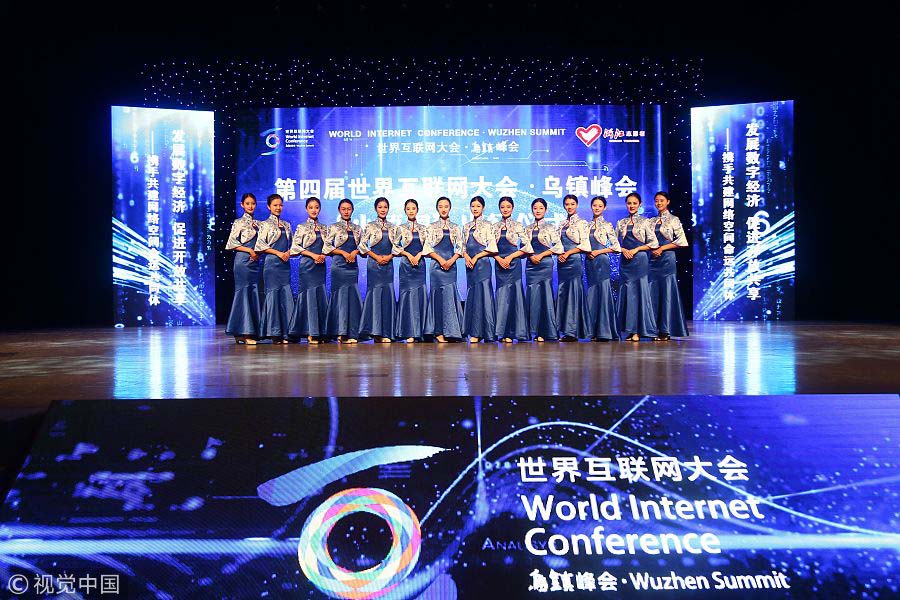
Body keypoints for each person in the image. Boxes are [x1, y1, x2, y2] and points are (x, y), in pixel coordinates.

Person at [615, 192, 659, 341]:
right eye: (629, 203)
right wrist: (623, 250)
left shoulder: (645, 222)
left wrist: (637, 249)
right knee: (628, 293)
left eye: (634, 203)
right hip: (625, 261)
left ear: (639, 205)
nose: (631, 206)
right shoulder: (621, 222)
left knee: (640, 292)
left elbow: (654, 243)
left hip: (640, 260)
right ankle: (630, 329)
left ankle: (640, 330)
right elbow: (614, 243)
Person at [648, 191, 690, 340]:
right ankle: (652, 329)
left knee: (666, 293)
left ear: (668, 202)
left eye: (661, 201)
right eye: (656, 201)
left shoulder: (674, 220)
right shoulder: (651, 221)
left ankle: (665, 330)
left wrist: (661, 248)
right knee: (652, 293)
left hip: (667, 259)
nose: (659, 203)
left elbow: (682, 240)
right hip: (652, 260)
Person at [423, 196, 465, 342]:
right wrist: (441, 260)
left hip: (451, 266)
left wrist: (451, 261)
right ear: (437, 208)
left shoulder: (455, 227)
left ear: (450, 208)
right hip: (436, 267)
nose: (443, 209)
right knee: (438, 298)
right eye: (440, 206)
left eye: (446, 206)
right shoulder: (431, 226)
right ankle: (438, 331)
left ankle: (452, 331)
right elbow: (427, 248)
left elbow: (460, 247)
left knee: (449, 297)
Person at [288, 196, 329, 344]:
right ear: (306, 209)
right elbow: (295, 247)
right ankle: (310, 332)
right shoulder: (302, 227)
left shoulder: (325, 228)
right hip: (308, 266)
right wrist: (313, 255)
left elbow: (330, 246)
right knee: (308, 296)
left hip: (320, 266)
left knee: (320, 295)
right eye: (311, 207)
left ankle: (322, 331)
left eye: (316, 207)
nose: (314, 210)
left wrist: (323, 255)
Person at [492, 196, 533, 342]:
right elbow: (490, 247)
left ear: (512, 208)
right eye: (502, 207)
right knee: (502, 296)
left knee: (514, 295)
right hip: (499, 264)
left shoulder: (518, 225)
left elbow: (527, 247)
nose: (505, 209)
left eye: (508, 207)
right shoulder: (494, 226)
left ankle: (514, 332)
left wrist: (510, 257)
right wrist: (499, 259)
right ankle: (502, 332)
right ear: (499, 208)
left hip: (513, 264)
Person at [255, 193, 294, 343]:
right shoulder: (265, 224)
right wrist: (278, 253)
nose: (278, 208)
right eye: (275, 205)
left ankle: (287, 333)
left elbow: (293, 244)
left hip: (285, 264)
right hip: (272, 264)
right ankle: (274, 333)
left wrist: (289, 252)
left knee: (285, 296)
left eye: (280, 205)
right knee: (273, 296)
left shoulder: (287, 225)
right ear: (269, 207)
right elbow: (260, 245)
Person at [323, 199, 363, 344]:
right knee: (339, 297)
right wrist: (343, 253)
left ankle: (352, 332)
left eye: (349, 209)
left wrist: (355, 251)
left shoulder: (357, 228)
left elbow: (363, 247)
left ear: (352, 210)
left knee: (352, 298)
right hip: (338, 266)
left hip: (352, 267)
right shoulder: (333, 227)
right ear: (339, 210)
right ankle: (339, 332)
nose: (346, 211)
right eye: (343, 209)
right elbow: (326, 247)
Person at [524, 198, 564, 341]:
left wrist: (541, 255)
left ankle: (544, 331)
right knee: (532, 296)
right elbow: (523, 247)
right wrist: (530, 255)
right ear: (532, 210)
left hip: (545, 264)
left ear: (545, 210)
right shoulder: (527, 228)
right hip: (530, 265)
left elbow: (558, 247)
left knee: (544, 296)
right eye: (535, 208)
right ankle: (530, 331)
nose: (538, 210)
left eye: (541, 208)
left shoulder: (550, 227)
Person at [225, 193, 262, 344]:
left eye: (253, 203)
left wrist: (257, 252)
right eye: (247, 203)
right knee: (243, 293)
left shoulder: (259, 224)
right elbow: (231, 243)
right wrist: (250, 251)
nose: (251, 206)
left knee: (252, 293)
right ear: (242, 205)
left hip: (255, 262)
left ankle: (241, 331)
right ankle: (246, 333)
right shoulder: (238, 222)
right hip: (243, 261)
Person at [358, 197, 396, 342]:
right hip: (374, 264)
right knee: (375, 295)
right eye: (380, 207)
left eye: (385, 207)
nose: (383, 209)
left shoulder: (393, 227)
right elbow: (362, 245)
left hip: (388, 264)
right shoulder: (370, 226)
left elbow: (399, 246)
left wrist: (389, 256)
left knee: (387, 295)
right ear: (376, 209)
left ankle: (386, 332)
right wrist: (377, 257)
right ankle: (375, 332)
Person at [462, 196, 498, 343]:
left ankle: (487, 332)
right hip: (470, 265)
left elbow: (492, 247)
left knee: (484, 296)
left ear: (483, 208)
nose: (475, 208)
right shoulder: (466, 226)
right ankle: (474, 332)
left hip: (482, 264)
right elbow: (462, 246)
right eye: (473, 206)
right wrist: (465, 256)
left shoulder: (489, 225)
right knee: (473, 296)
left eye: (478, 206)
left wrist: (476, 257)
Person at [556, 194, 592, 341]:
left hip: (574, 260)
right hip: (562, 262)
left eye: (572, 204)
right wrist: (558, 253)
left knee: (574, 292)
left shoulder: (582, 223)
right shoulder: (561, 224)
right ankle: (564, 329)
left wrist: (568, 252)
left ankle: (573, 331)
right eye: (567, 204)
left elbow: (585, 245)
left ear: (576, 205)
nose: (569, 206)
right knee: (563, 293)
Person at [584, 196, 621, 341]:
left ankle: (604, 331)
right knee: (592, 294)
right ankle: (593, 331)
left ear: (604, 208)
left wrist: (599, 252)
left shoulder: (607, 225)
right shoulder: (585, 225)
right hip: (589, 262)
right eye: (594, 205)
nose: (597, 208)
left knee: (603, 292)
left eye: (600, 206)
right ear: (591, 207)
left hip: (601, 261)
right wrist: (587, 253)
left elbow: (616, 247)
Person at [393, 199, 428, 342]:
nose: (411, 211)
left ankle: (419, 331)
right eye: (408, 209)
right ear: (405, 211)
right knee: (407, 296)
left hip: (420, 265)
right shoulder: (400, 228)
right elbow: (395, 246)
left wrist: (419, 255)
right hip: (406, 265)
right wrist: (407, 254)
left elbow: (429, 246)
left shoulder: (424, 228)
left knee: (419, 295)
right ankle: (408, 331)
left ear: (417, 210)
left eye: (413, 208)